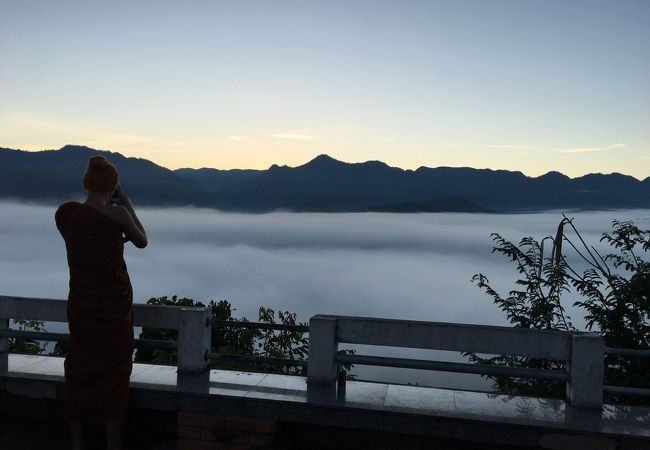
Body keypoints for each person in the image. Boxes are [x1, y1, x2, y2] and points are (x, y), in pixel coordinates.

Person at [55, 155, 147, 450]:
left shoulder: (66, 214)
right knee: (115, 373)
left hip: (81, 303)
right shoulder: (119, 215)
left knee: (80, 367)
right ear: (113, 185)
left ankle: (76, 442)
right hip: (112, 307)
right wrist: (126, 201)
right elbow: (142, 240)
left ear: (86, 183)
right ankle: (112, 444)